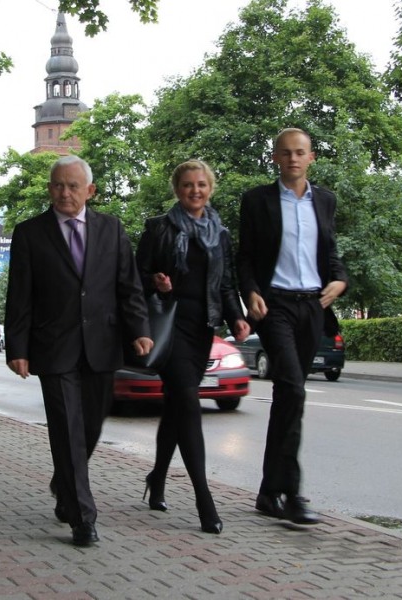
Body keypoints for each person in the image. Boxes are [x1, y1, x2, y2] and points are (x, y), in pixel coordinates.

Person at [5, 155, 153, 547]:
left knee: (89, 428)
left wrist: (140, 329)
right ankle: (82, 517)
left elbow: (129, 286)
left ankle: (64, 482)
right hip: (53, 347)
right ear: (49, 189)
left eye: (73, 186)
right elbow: (19, 296)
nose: (65, 193)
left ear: (90, 191)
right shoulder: (30, 233)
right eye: (58, 185)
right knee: (67, 430)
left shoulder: (111, 228)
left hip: (102, 344)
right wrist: (17, 347)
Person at [237, 128, 347, 524]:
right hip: (276, 306)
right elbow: (245, 257)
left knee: (289, 398)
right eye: (285, 153)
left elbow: (330, 252)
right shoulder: (257, 200)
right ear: (275, 158)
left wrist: (341, 280)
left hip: (313, 306)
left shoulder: (325, 201)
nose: (293, 159)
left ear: (311, 157)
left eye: (300, 152)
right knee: (293, 389)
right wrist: (250, 291)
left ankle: (269, 493)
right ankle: (292, 493)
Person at [136, 160, 250, 534]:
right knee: (187, 402)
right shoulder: (159, 228)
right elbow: (135, 277)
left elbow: (226, 283)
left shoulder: (221, 233)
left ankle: (156, 478)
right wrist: (157, 282)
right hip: (170, 327)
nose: (195, 191)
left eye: (201, 184)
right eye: (187, 185)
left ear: (210, 188)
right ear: (177, 189)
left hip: (203, 328)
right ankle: (204, 498)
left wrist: (237, 318)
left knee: (176, 407)